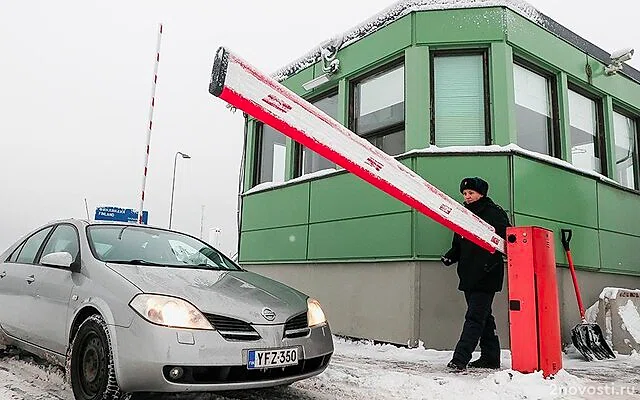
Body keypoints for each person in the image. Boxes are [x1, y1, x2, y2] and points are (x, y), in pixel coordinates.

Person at [440, 177, 510, 371]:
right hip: (468, 274)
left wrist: (490, 263)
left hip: (487, 274)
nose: (467, 197)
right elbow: (458, 244)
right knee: (484, 318)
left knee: (474, 318)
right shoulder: (463, 215)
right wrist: (450, 257)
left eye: (471, 193)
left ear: (481, 193)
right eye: (465, 193)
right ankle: (491, 358)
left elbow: (506, 240)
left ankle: (460, 359)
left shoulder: (494, 213)